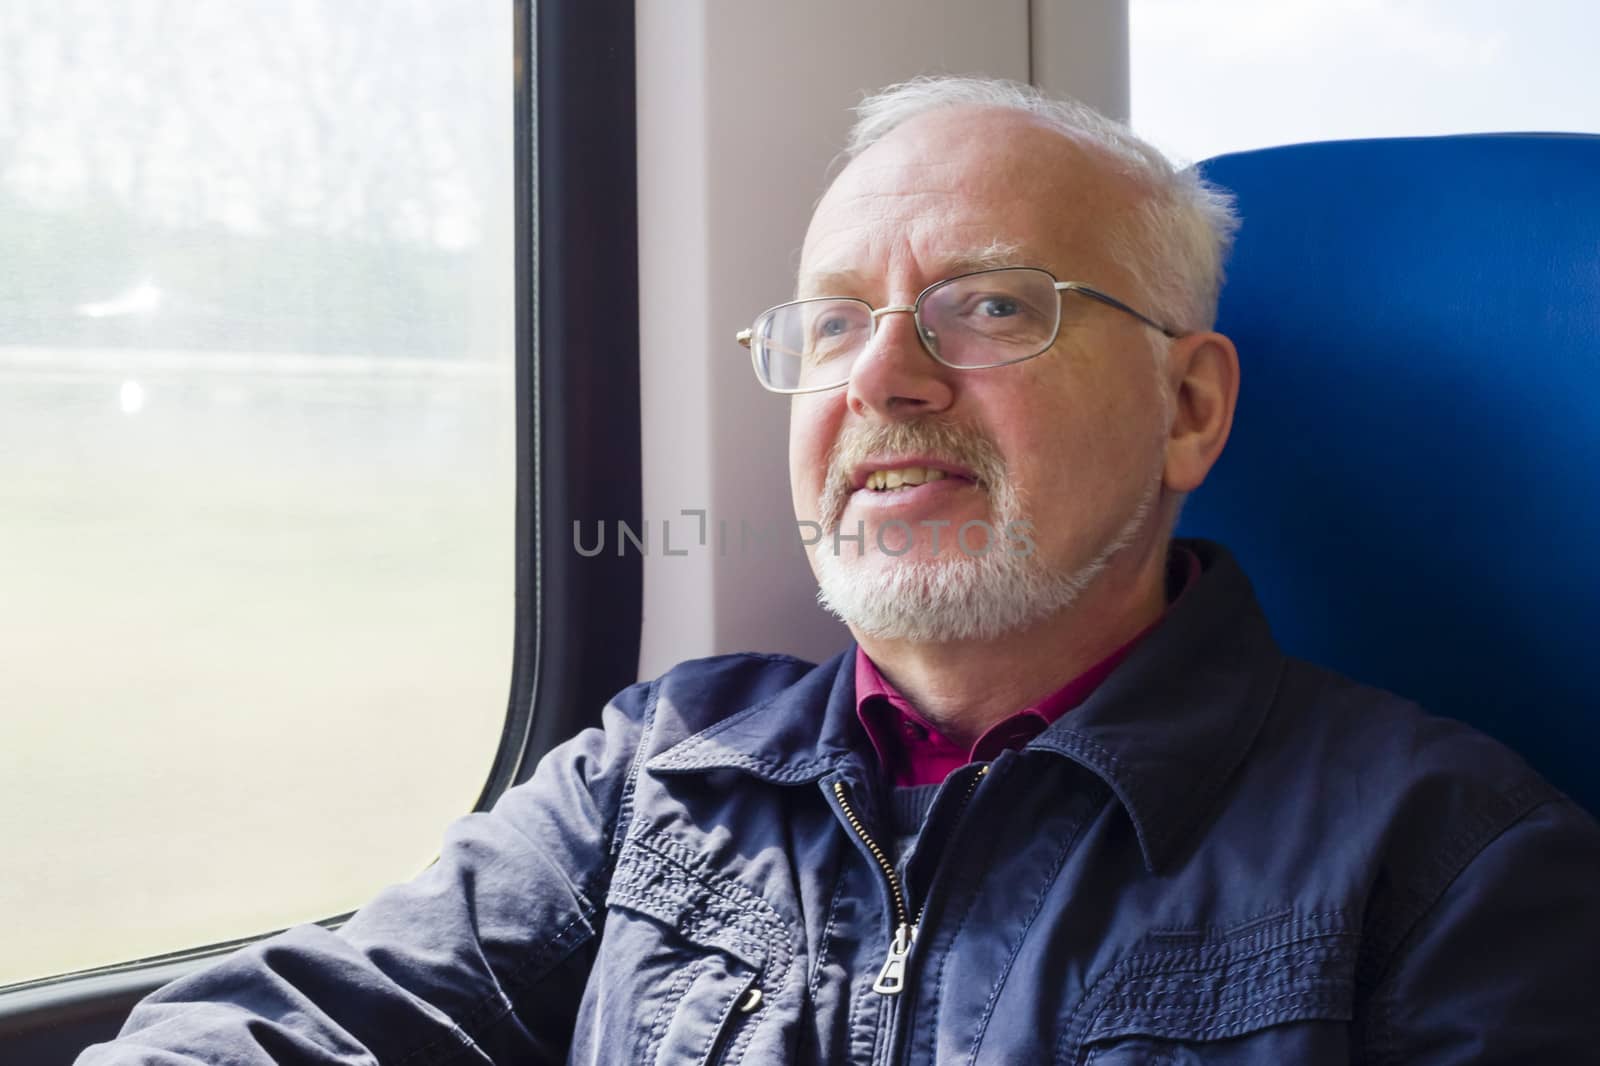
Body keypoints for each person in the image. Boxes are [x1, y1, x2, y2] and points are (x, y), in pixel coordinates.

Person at [83, 76, 1599, 1065]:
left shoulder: (1453, 863)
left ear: (1187, 406)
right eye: (827, 322)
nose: (882, 375)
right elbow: (287, 1024)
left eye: (989, 306)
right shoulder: (652, 770)